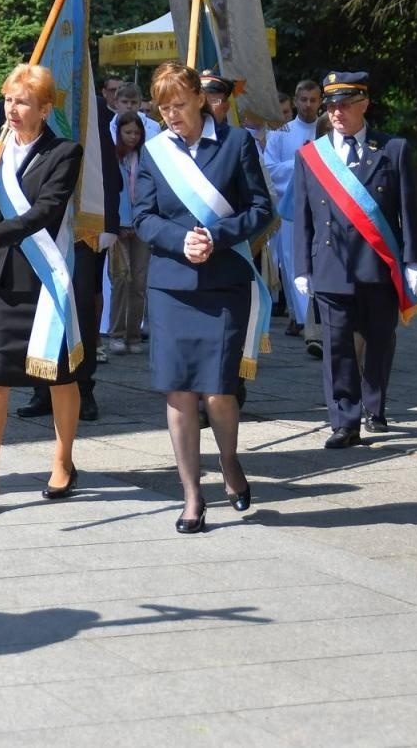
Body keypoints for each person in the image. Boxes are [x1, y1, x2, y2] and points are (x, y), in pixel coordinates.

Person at [133, 61, 273, 533]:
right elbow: (143, 217)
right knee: (179, 391)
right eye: (163, 108)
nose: (172, 115)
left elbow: (260, 208)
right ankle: (192, 495)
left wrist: (216, 233)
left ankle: (229, 461)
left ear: (200, 99)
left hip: (224, 283)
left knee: (218, 391)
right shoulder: (155, 154)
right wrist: (179, 240)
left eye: (178, 104)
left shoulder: (236, 145)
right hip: (172, 286)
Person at [0, 64, 85, 514]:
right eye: (9, 99)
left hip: (45, 278)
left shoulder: (66, 152)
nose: (12, 109)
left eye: (23, 101)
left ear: (45, 108)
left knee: (58, 375)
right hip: (0, 279)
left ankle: (63, 460)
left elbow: (45, 213)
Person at [294, 71, 417, 449]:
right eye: (331, 105)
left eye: (345, 104)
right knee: (337, 346)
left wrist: (413, 260)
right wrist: (302, 266)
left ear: (364, 104)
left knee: (380, 340)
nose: (337, 112)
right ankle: (344, 421)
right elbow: (302, 215)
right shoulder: (312, 156)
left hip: (378, 265)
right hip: (331, 265)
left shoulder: (392, 149)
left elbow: (407, 210)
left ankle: (375, 405)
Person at [264, 80, 321, 338]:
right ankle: (300, 317)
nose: (308, 105)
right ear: (296, 101)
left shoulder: (328, 129)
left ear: (320, 102)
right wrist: (301, 161)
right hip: (292, 205)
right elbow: (270, 170)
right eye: (303, 99)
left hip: (322, 206)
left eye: (313, 100)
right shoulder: (282, 132)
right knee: (290, 258)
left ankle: (318, 315)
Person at [106, 111, 150, 357]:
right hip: (120, 224)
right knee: (121, 279)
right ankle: (116, 333)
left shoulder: (146, 157)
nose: (132, 137)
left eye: (136, 132)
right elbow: (114, 192)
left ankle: (134, 333)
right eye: (128, 132)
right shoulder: (114, 157)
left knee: (140, 281)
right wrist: (120, 223)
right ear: (119, 133)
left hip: (142, 224)